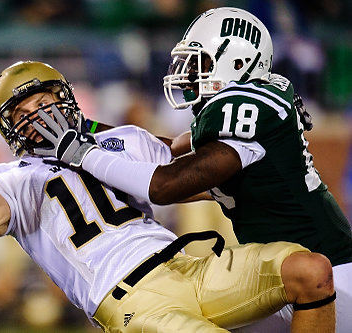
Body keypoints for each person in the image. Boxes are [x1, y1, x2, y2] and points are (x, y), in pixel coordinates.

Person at [0, 61, 336, 332]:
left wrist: (262, 113)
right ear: (10, 131)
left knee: (310, 270)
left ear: (67, 101)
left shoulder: (118, 141)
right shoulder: (11, 177)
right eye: (23, 113)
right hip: (131, 299)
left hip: (187, 265)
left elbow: (194, 155)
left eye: (44, 102)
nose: (39, 115)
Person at [32, 7, 351, 332]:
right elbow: (162, 151)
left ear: (237, 64)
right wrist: (85, 127)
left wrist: (82, 153)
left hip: (330, 274)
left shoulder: (244, 106)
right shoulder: (242, 110)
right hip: (286, 273)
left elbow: (165, 185)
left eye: (201, 64)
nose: (188, 73)